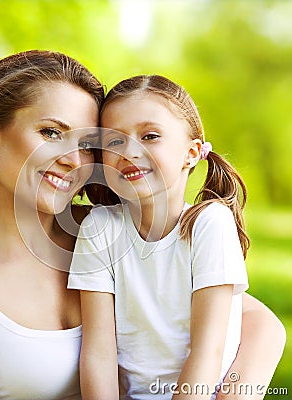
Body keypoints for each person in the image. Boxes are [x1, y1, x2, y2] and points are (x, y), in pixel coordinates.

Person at [0, 53, 285, 400]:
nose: (72, 159)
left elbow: (260, 325)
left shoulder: (111, 233)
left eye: (87, 145)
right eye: (51, 132)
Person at [68, 74, 286, 399]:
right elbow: (98, 352)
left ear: (192, 152)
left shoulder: (209, 224)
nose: (129, 150)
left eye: (150, 135)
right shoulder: (99, 228)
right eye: (114, 141)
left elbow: (207, 352)